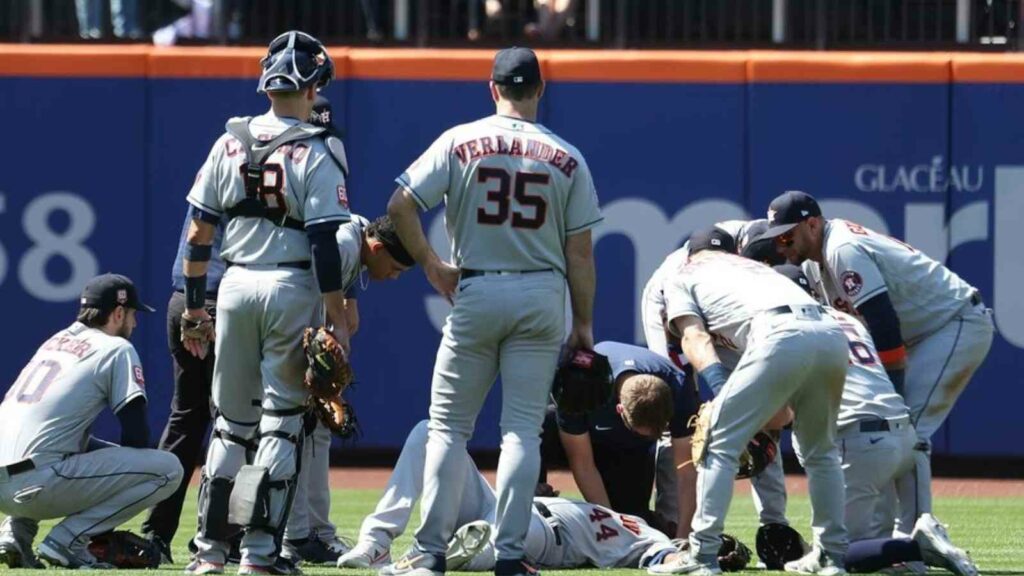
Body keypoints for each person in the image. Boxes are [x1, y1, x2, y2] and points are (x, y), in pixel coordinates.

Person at [383, 46, 602, 576]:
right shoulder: (567, 154)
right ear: (541, 91)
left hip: (477, 289)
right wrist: (584, 323)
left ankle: (431, 553)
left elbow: (399, 205)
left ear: (492, 87)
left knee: (447, 429)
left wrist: (434, 266)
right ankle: (509, 555)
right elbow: (580, 252)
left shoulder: (461, 140)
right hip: (542, 294)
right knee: (522, 431)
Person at [182, 30, 352, 575]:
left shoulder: (226, 141)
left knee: (230, 425)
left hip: (232, 288)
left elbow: (198, 235)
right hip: (289, 286)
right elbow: (326, 242)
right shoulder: (320, 148)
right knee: (281, 425)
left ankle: (209, 553)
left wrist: (193, 307)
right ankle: (258, 554)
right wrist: (335, 311)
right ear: (315, 84)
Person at [756, 190, 994, 536]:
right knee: (893, 426)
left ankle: (916, 537)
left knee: (908, 429)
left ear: (813, 224)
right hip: (921, 335)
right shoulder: (812, 262)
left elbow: (883, 324)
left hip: (953, 324)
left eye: (788, 235)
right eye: (777, 238)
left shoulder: (842, 248)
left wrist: (892, 396)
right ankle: (883, 536)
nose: (782, 244)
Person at [651, 227, 849, 576]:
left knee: (717, 443)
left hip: (780, 334)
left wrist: (719, 389)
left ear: (689, 254)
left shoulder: (683, 273)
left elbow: (694, 337)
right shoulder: (754, 269)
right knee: (821, 453)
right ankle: (831, 556)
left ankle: (703, 554)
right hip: (831, 333)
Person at [772, 264, 978, 576]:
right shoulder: (844, 318)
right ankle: (910, 554)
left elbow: (780, 415)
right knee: (881, 559)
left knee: (836, 557)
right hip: (902, 435)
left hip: (859, 441)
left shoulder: (790, 325)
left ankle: (917, 545)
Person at [0, 274, 183, 569]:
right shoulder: (116, 348)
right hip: (36, 485)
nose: (134, 324)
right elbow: (136, 434)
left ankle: (13, 534)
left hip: (4, 485)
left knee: (59, 446)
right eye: (133, 315)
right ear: (119, 312)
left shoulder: (55, 341)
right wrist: (115, 482)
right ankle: (68, 540)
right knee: (168, 469)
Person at [339, 420, 680, 572]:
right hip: (501, 504)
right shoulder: (595, 509)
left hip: (543, 536)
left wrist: (680, 551)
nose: (660, 519)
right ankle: (377, 542)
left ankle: (442, 555)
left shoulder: (636, 529)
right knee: (427, 431)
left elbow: (662, 553)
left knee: (497, 535)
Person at [641, 220, 793, 550]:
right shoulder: (677, 277)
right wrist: (724, 393)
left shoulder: (766, 243)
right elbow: (690, 343)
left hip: (728, 313)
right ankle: (675, 526)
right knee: (677, 412)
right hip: (676, 315)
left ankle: (775, 524)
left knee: (759, 406)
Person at [538, 340, 698, 537]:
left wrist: (685, 538)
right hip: (576, 440)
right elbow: (582, 463)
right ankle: (532, 503)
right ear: (619, 410)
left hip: (626, 452)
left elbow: (687, 471)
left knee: (633, 519)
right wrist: (613, 529)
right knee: (539, 426)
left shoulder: (678, 385)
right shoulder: (579, 382)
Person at [141, 208, 225, 564]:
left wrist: (191, 306)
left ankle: (156, 535)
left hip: (185, 296)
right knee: (238, 423)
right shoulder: (270, 165)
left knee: (186, 419)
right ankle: (218, 539)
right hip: (219, 301)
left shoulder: (219, 164)